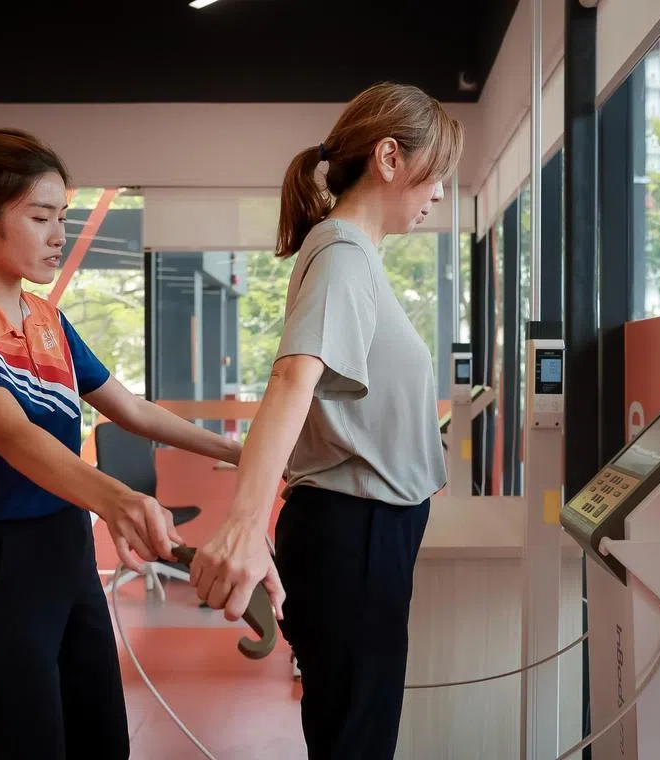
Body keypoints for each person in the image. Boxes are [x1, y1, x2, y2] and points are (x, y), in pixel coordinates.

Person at [0, 128, 242, 759]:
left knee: (104, 745)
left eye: (63, 218)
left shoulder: (47, 321)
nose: (58, 235)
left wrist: (244, 452)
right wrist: (118, 499)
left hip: (67, 556)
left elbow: (130, 409)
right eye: (40, 217)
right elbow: (14, 437)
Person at [188, 82, 464, 759]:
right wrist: (245, 527)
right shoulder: (342, 253)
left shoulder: (351, 254)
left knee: (354, 737)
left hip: (365, 533)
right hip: (355, 533)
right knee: (356, 743)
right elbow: (293, 380)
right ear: (390, 157)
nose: (439, 195)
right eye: (439, 176)